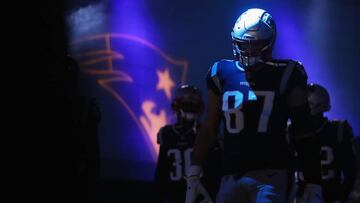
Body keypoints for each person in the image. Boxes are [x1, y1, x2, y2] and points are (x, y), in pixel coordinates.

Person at [185, 8, 314, 203]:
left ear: (269, 43)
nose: (248, 51)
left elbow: (303, 130)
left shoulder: (288, 72)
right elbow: (209, 127)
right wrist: (194, 171)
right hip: (230, 173)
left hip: (272, 172)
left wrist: (314, 180)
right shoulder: (221, 71)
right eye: (243, 45)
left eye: (255, 45)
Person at [154, 85, 221, 203]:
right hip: (174, 193)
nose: (190, 107)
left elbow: (215, 169)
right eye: (186, 105)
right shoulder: (167, 133)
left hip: (199, 194)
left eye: (193, 105)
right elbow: (162, 170)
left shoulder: (205, 133)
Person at [292, 83, 356, 203]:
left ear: (315, 106)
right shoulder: (292, 131)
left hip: (328, 195)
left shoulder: (338, 130)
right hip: (303, 197)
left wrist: (341, 197)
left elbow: (351, 171)